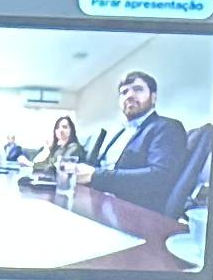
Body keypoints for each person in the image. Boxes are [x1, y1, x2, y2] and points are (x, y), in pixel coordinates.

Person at [83, 70, 194, 204]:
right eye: (124, 92)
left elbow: (159, 177)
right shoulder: (120, 132)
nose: (129, 95)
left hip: (133, 212)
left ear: (153, 97)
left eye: (138, 89)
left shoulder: (167, 127)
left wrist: (95, 176)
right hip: (99, 200)